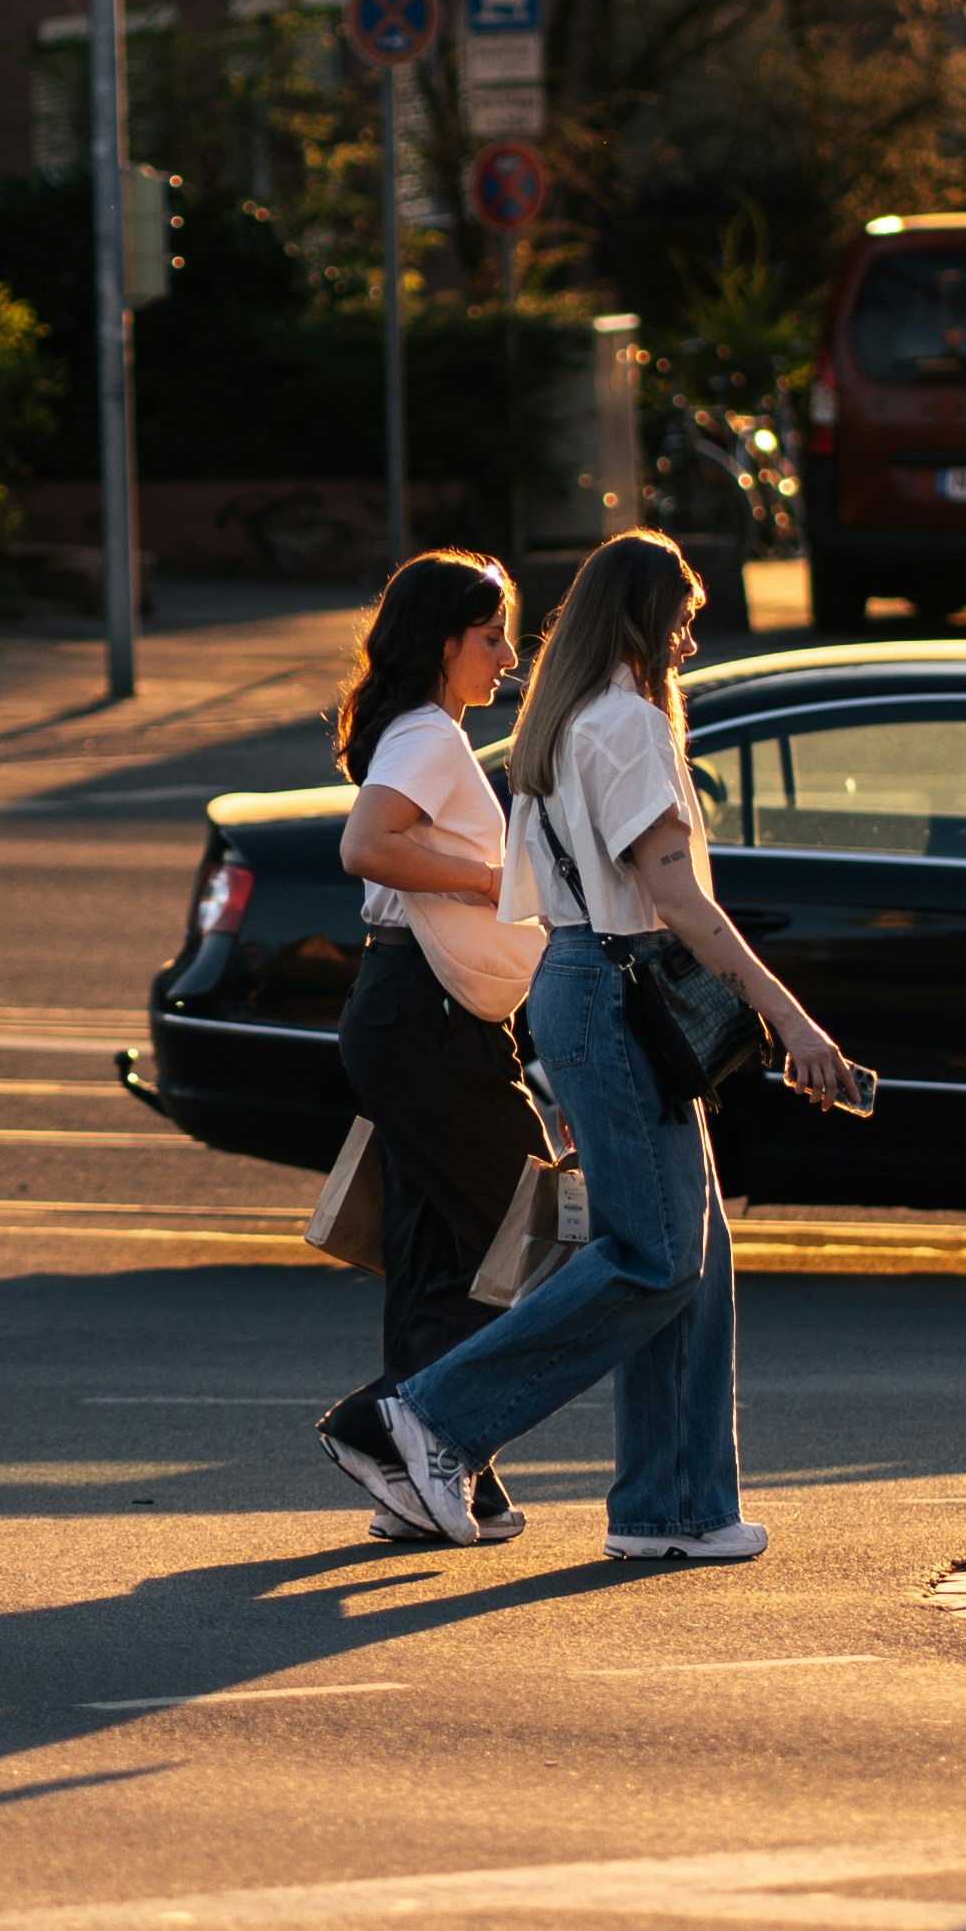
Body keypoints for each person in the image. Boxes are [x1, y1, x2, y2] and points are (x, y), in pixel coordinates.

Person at [372, 528, 850, 1563]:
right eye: (680, 619)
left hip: (589, 988)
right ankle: (433, 1418)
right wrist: (792, 1021)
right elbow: (673, 896)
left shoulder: (568, 716)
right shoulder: (628, 723)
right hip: (620, 988)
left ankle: (675, 1509)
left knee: (692, 1257)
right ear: (639, 619)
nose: (688, 641)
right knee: (654, 1255)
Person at [314, 552, 552, 1547]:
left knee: (441, 1252)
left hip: (406, 1013)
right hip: (429, 1019)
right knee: (537, 1238)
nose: (507, 656)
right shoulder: (429, 737)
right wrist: (484, 877)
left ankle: (445, 1479)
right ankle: (394, 1426)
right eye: (490, 637)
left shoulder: (424, 733)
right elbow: (366, 847)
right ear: (443, 643)